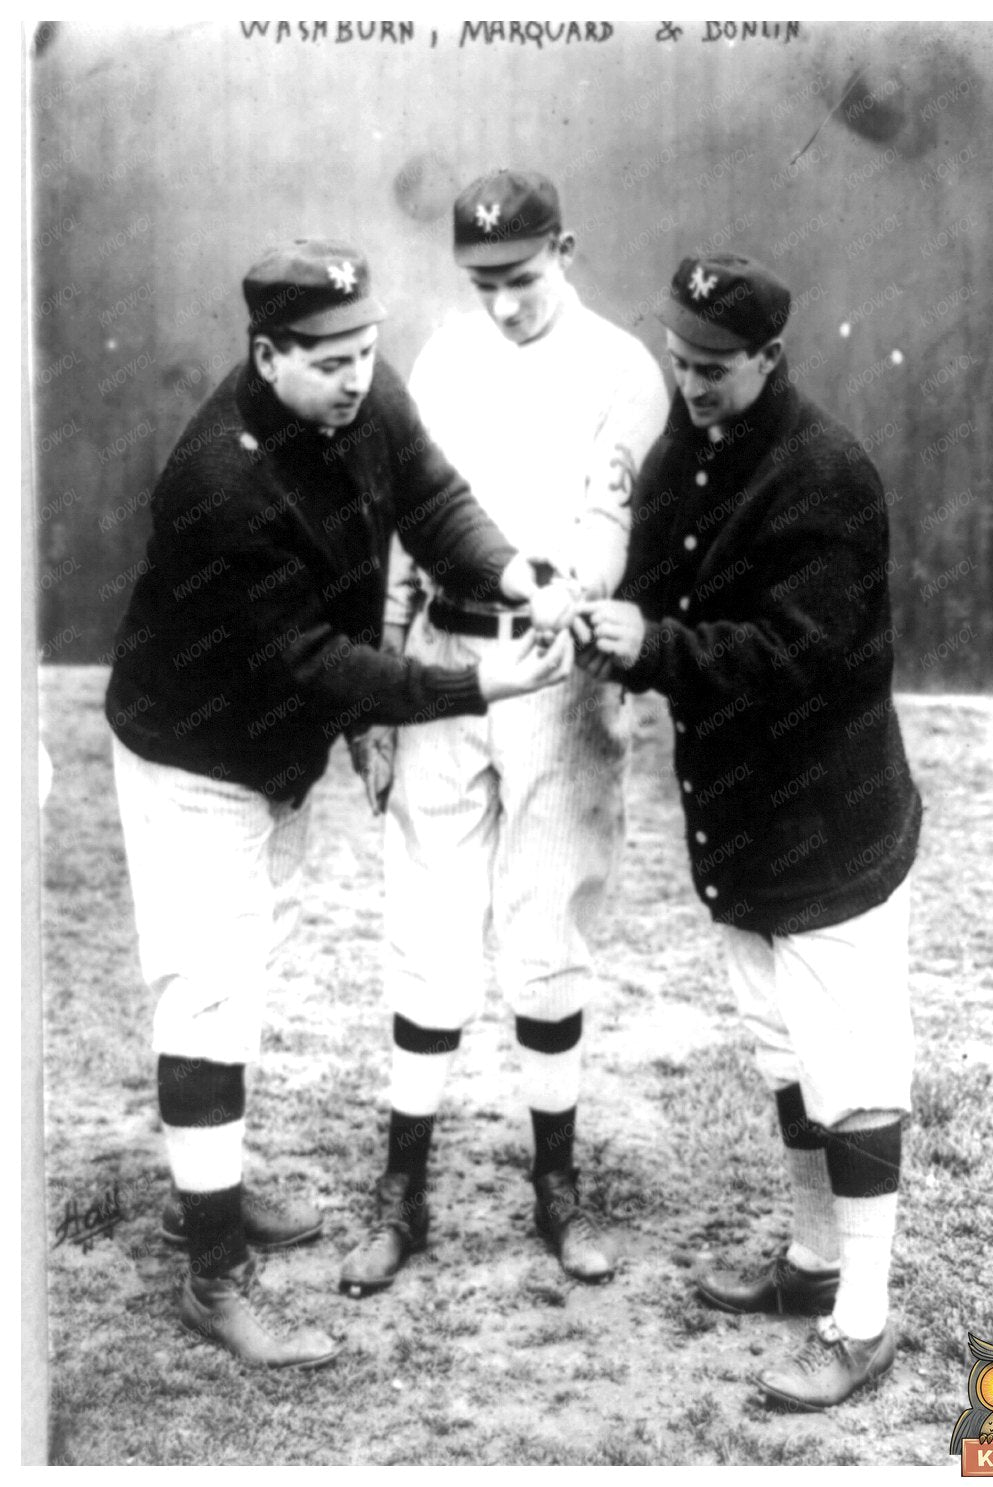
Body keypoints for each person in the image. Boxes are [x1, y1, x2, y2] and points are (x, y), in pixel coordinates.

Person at [104, 239, 570, 1368]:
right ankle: (212, 1273)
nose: (357, 376)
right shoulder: (222, 477)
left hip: (273, 751)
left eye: (364, 350)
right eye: (327, 361)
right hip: (196, 756)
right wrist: (472, 681)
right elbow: (315, 663)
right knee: (205, 997)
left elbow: (433, 496)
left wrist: (513, 573)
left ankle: (205, 1188)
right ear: (265, 353)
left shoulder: (363, 387)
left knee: (245, 971)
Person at [582, 252, 923, 1409]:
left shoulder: (825, 473)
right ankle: (812, 1256)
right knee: (785, 1051)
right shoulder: (699, 440)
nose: (690, 382)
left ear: (771, 356)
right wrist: (602, 613)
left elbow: (799, 662)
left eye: (714, 368)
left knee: (854, 1068)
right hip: (739, 820)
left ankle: (863, 1315)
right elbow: (656, 568)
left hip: (830, 826)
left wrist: (654, 648)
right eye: (679, 360)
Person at [339, 170, 667, 1296]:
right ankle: (403, 1190)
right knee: (427, 921)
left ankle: (556, 1185)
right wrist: (384, 681)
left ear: (563, 248)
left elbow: (608, 515)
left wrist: (566, 596)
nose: (504, 303)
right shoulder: (443, 356)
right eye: (482, 283)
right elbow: (404, 519)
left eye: (521, 279)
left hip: (556, 670)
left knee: (546, 920)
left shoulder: (621, 367)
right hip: (441, 654)